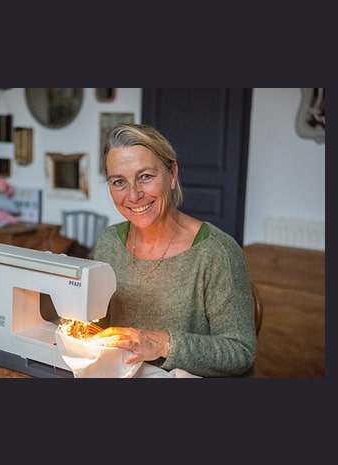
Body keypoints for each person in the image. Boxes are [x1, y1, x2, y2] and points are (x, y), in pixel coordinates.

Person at [91, 123, 257, 377]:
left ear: (172, 174)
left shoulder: (216, 252)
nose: (133, 195)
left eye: (145, 176)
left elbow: (240, 351)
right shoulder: (109, 242)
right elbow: (98, 328)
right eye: (119, 182)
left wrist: (162, 343)